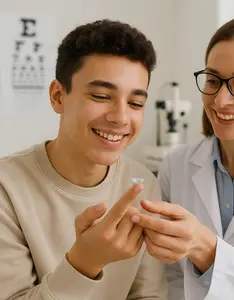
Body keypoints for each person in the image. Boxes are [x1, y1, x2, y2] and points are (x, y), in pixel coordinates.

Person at [131, 14, 234, 299]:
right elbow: (170, 278)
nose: (221, 100)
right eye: (213, 80)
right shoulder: (177, 164)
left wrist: (205, 249)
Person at [0, 19, 167, 300]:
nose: (121, 117)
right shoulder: (7, 189)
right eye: (101, 96)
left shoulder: (142, 185)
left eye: (136, 103)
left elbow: (148, 295)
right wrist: (84, 263)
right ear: (57, 96)